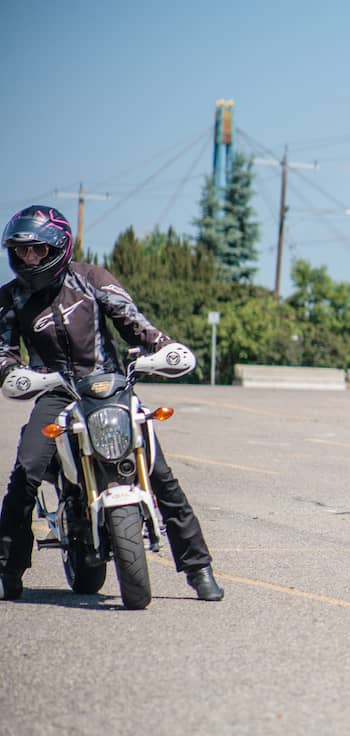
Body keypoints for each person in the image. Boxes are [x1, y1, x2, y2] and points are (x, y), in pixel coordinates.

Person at [0, 206, 222, 601]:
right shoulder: (11, 298)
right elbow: (2, 350)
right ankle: (7, 570)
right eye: (21, 251)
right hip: (55, 391)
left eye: (36, 250)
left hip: (110, 386)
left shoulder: (91, 279)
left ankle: (198, 567)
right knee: (27, 467)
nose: (28, 258)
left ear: (59, 247)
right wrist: (12, 372)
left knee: (158, 472)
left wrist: (165, 348)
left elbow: (133, 322)